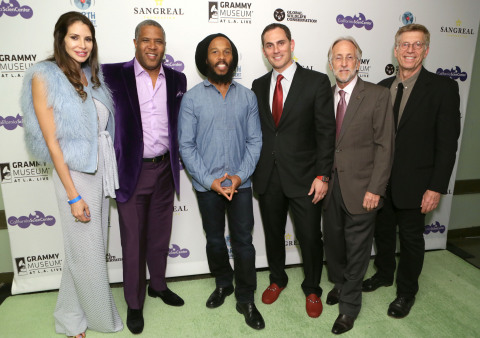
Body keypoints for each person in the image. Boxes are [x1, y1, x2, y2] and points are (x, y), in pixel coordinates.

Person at [21, 11, 123, 338]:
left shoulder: (90, 75)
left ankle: (68, 315)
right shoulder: (44, 75)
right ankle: (98, 320)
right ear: (61, 39)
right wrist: (73, 195)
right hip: (74, 175)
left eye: (88, 38)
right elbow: (52, 142)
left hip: (99, 168)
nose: (82, 45)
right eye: (74, 37)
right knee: (86, 251)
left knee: (84, 250)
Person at [362, 23, 461, 319]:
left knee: (411, 240)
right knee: (382, 232)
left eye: (417, 45)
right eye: (405, 44)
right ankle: (384, 274)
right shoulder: (381, 87)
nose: (410, 50)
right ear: (395, 50)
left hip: (417, 184)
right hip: (381, 182)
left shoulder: (443, 88)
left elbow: (447, 144)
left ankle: (406, 292)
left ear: (426, 50)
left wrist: (436, 187)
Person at [102, 20, 186, 334]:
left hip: (166, 169)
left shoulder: (178, 78)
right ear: (135, 41)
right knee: (133, 241)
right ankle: (134, 303)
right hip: (131, 172)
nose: (153, 47)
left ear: (164, 45)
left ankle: (159, 286)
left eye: (159, 41)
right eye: (147, 40)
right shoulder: (111, 74)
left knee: (160, 235)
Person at [178, 33, 264, 330]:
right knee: (215, 240)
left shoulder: (248, 97)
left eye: (226, 51)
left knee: (244, 244)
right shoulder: (192, 98)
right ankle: (224, 283)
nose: (221, 56)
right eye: (215, 52)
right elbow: (186, 145)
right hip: (207, 186)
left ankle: (246, 298)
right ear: (206, 59)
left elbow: (255, 141)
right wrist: (210, 181)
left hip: (241, 185)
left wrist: (239, 177)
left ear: (233, 57)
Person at [251, 23, 336, 318]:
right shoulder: (259, 85)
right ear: (264, 50)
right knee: (273, 234)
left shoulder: (316, 82)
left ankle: (312, 288)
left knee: (311, 237)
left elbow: (326, 132)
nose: (276, 49)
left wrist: (323, 175)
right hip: (268, 176)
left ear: (292, 44)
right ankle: (278, 279)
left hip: (306, 177)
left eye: (280, 43)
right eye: (269, 45)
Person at [323, 37, 395, 334]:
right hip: (330, 189)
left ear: (358, 61)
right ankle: (340, 285)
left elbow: (385, 147)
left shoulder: (378, 95)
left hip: (364, 189)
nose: (343, 63)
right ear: (331, 63)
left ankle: (349, 307)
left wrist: (375, 189)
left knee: (357, 250)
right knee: (335, 246)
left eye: (349, 57)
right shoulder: (324, 96)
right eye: (337, 58)